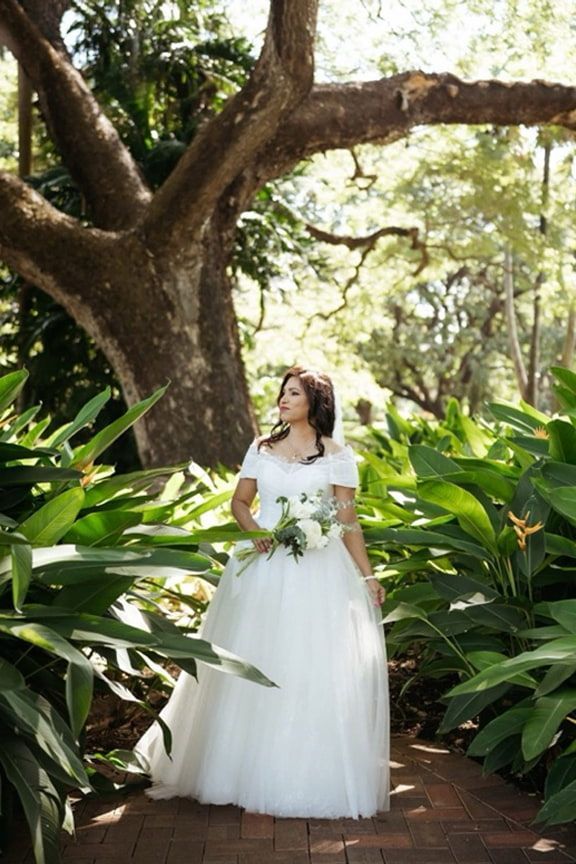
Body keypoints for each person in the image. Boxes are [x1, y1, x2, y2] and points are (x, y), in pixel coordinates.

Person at [136, 366, 390, 819]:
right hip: (261, 570)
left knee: (309, 667)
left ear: (315, 402)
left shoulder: (338, 456)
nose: (283, 400)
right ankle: (231, 770)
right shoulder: (260, 448)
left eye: (293, 393)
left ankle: (304, 771)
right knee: (252, 661)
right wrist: (255, 531)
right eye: (282, 393)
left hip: (318, 575)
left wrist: (369, 577)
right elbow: (240, 501)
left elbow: (347, 522)